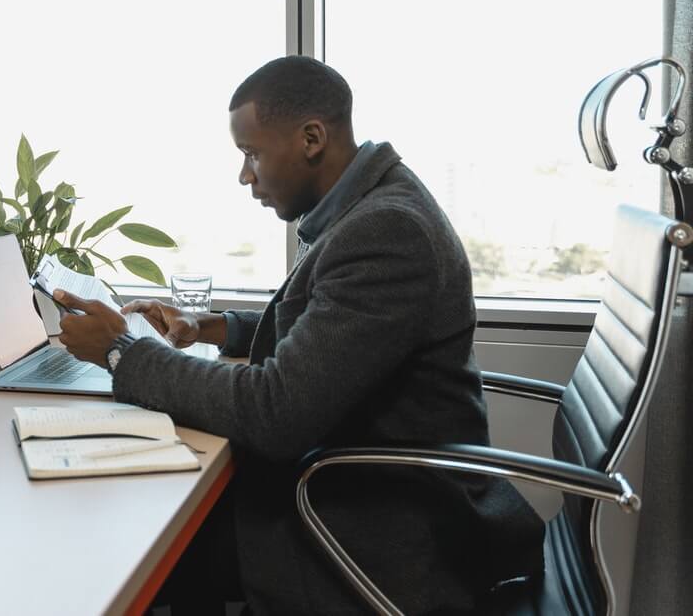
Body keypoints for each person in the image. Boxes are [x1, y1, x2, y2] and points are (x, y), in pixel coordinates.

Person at [55, 56, 545, 614]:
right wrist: (214, 327)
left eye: (252, 154)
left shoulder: (387, 231)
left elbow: (276, 413)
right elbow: (329, 328)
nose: (246, 175)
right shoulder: (369, 207)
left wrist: (123, 352)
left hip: (386, 532)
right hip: (362, 491)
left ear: (312, 138)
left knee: (131, 543)